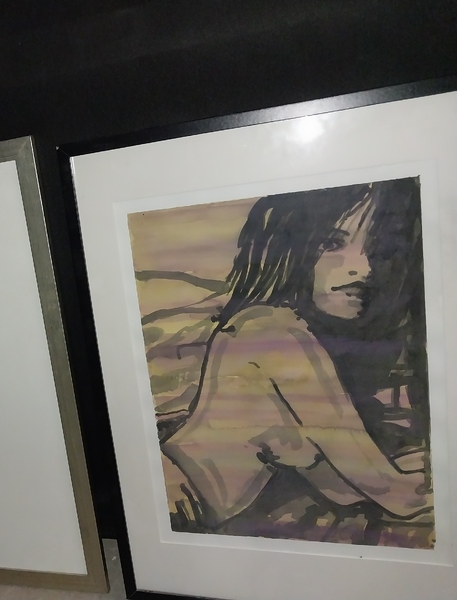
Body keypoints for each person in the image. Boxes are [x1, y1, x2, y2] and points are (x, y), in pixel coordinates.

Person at [159, 178, 433, 546]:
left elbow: (342, 489)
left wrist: (397, 473)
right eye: (332, 243)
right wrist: (423, 477)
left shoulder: (276, 340)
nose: (364, 268)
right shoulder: (273, 332)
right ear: (292, 248)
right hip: (173, 497)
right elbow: (395, 495)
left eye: (376, 248)